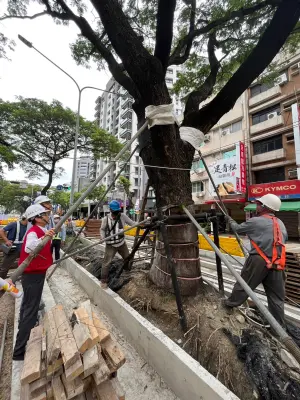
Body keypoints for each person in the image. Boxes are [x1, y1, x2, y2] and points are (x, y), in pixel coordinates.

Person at [224, 194, 288, 328]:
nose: (256, 206)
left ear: (264, 207)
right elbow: (284, 240)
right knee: (276, 298)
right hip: (278, 262)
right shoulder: (280, 223)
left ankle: (229, 304)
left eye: (259, 204)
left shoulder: (256, 221)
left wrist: (229, 219)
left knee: (244, 285)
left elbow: (237, 229)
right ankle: (278, 328)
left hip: (259, 260)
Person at [12, 204, 55, 361]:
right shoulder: (34, 231)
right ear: (37, 218)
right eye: (45, 214)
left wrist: (46, 236)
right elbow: (30, 247)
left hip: (35, 274)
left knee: (28, 307)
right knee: (30, 311)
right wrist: (45, 237)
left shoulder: (40, 231)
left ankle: (21, 340)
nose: (47, 216)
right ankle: (19, 352)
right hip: (33, 276)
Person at [100, 200, 135, 289]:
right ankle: (104, 281)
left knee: (128, 257)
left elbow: (132, 223)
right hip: (110, 245)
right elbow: (102, 229)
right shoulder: (105, 219)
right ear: (111, 210)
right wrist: (102, 237)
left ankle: (127, 271)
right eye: (115, 211)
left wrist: (141, 225)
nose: (116, 213)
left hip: (121, 243)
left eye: (117, 211)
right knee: (106, 263)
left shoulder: (122, 216)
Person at [0, 215, 28, 279]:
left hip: (23, 248)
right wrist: (7, 240)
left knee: (23, 264)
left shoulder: (28, 226)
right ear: (26, 219)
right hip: (12, 248)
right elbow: (1, 231)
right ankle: (2, 282)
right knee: (5, 266)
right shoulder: (13, 224)